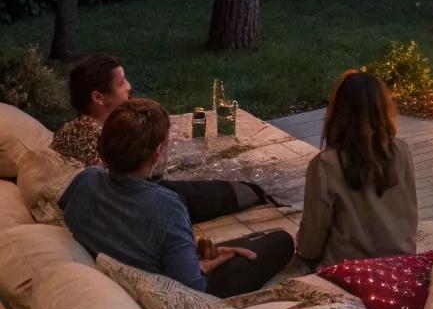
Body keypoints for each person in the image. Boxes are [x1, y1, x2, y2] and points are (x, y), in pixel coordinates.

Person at [60, 98, 294, 297]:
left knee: (219, 230)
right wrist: (217, 260)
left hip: (129, 256)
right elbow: (193, 287)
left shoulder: (86, 179)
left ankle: (241, 208)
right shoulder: (166, 206)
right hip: (170, 284)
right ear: (157, 153)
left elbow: (68, 212)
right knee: (279, 241)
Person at [52, 53, 272, 222]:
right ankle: (252, 192)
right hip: (132, 208)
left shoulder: (69, 129)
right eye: (121, 83)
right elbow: (131, 189)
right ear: (98, 97)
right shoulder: (101, 143)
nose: (129, 87)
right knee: (206, 194)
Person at [296, 70, 418, 266]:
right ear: (383, 108)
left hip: (350, 270)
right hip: (399, 263)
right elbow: (409, 213)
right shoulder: (402, 151)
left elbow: (312, 237)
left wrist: (302, 251)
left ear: (337, 111)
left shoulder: (325, 165)